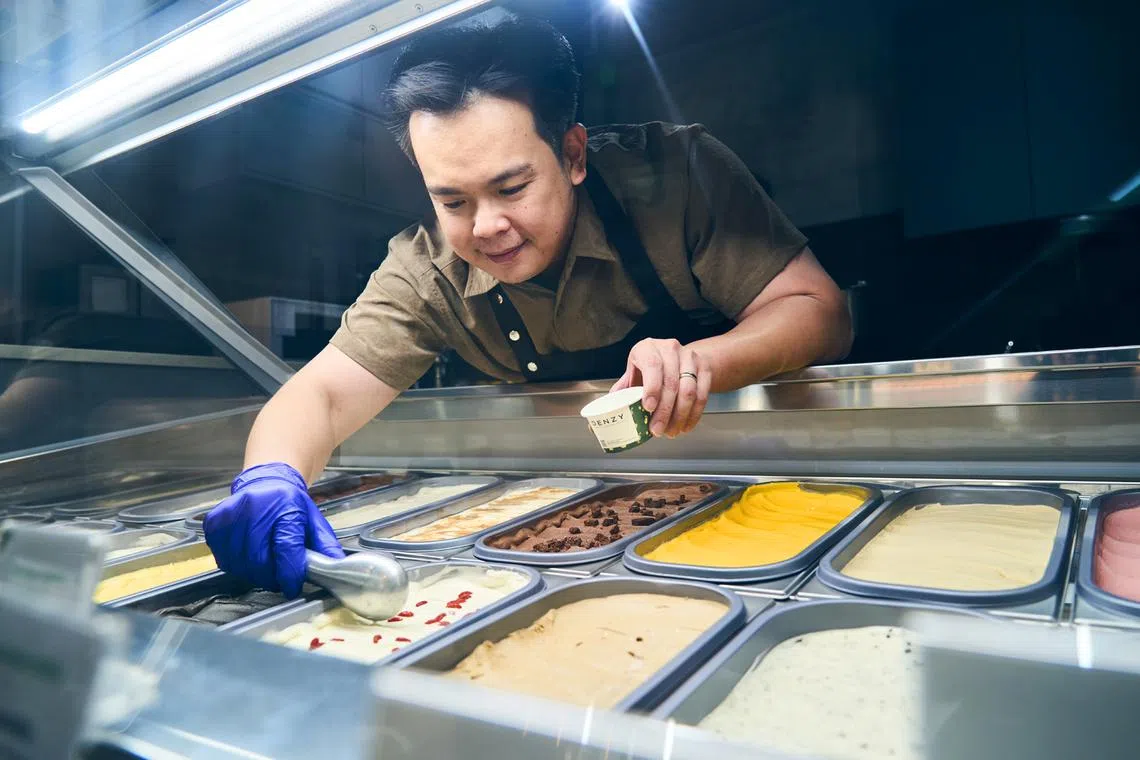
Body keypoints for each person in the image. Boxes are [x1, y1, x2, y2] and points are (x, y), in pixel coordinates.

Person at [204, 16, 852, 597]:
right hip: (574, 530)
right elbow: (320, 395)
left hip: (772, 496)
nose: (486, 227)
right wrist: (269, 477)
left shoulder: (676, 177)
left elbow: (819, 311)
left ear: (572, 154)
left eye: (511, 187)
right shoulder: (427, 269)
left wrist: (701, 362)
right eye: (452, 202)